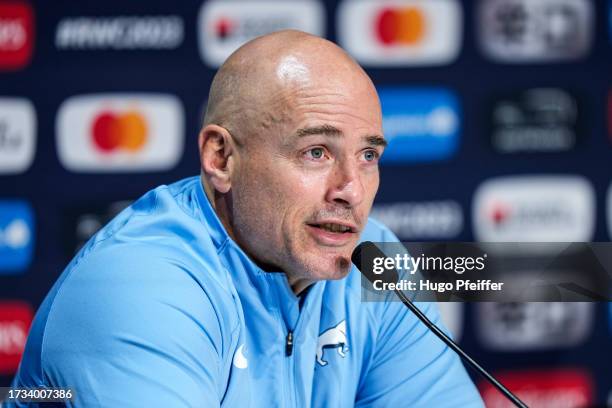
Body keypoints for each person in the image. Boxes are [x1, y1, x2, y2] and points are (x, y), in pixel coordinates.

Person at [7, 31, 483, 407]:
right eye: (316, 152)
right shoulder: (138, 287)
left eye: (367, 156)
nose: (351, 190)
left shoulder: (375, 267)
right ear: (222, 158)